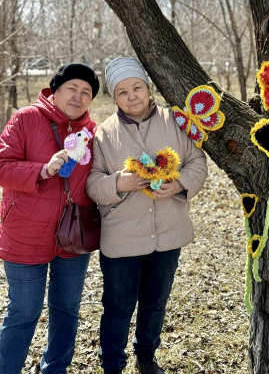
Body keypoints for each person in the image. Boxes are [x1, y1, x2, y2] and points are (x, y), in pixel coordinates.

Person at [86, 57, 208, 374]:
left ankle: (146, 356)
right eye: (122, 92)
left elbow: (197, 161)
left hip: (167, 232)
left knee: (155, 301)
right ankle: (112, 363)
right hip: (122, 236)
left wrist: (180, 183)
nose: (132, 96)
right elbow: (91, 183)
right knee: (117, 305)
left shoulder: (175, 122)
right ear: (114, 97)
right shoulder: (103, 134)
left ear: (148, 88)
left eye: (137, 87)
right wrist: (117, 183)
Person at [0, 64, 100, 374]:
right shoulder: (27, 118)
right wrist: (43, 169)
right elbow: (2, 166)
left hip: (72, 236)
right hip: (24, 234)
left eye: (86, 92)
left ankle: (54, 369)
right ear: (55, 90)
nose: (78, 96)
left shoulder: (92, 132)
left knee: (66, 310)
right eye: (72, 88)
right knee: (24, 311)